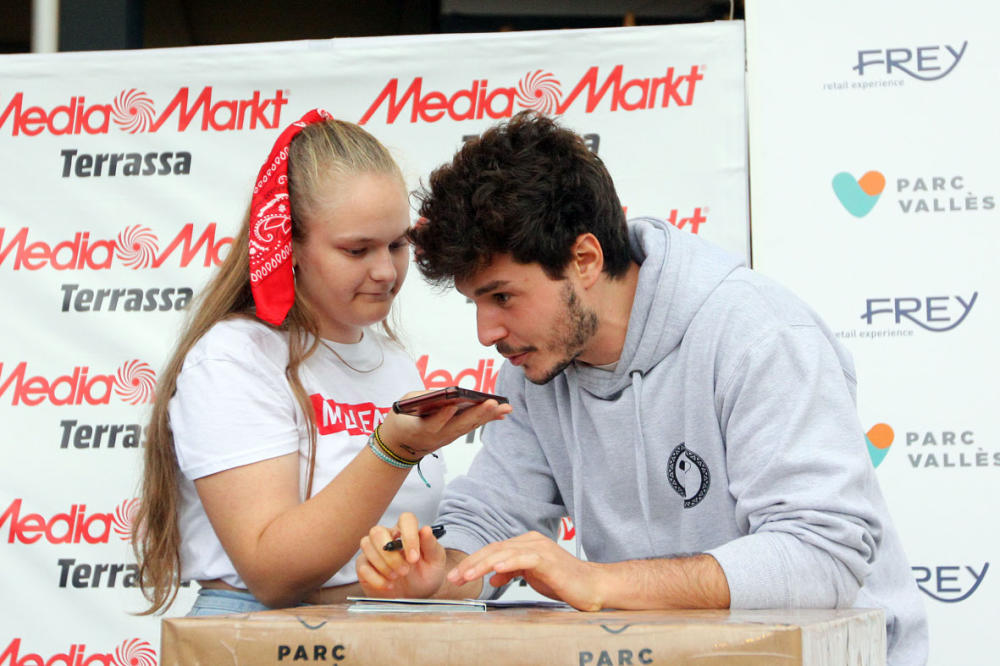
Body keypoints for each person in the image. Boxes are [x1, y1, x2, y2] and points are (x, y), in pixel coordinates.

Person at [355, 111, 928, 665]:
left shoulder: (760, 335)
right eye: (474, 302)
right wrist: (440, 574)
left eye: (502, 296)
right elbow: (494, 518)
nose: (487, 333)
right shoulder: (537, 366)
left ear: (584, 258)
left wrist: (597, 581)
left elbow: (821, 555)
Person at [131, 110, 510, 616]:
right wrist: (392, 450)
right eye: (356, 250)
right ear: (288, 246)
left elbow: (381, 556)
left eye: (398, 244)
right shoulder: (234, 358)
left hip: (374, 626)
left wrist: (428, 576)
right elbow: (272, 575)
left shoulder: (389, 357)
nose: (385, 270)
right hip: (258, 633)